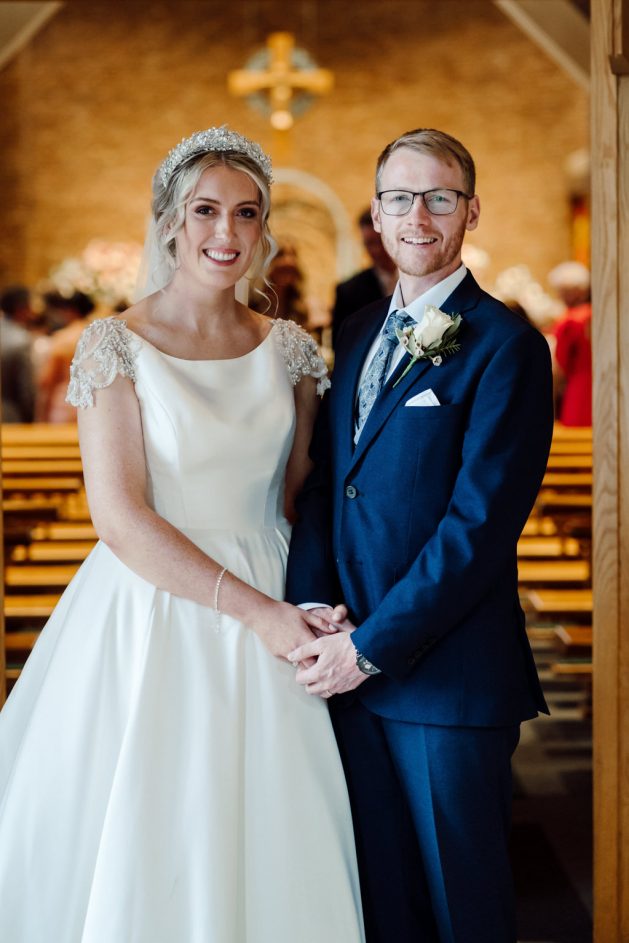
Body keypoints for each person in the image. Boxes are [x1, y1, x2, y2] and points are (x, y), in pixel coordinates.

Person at [0, 126, 364, 943]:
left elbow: (304, 498)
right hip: (155, 600)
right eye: (205, 210)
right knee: (157, 810)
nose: (225, 233)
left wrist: (327, 598)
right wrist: (257, 612)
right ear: (169, 221)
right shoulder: (114, 346)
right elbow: (122, 516)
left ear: (265, 228)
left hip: (275, 592)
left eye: (246, 213)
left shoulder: (294, 354)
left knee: (272, 814)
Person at [285, 128, 554, 943]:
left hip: (445, 681)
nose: (418, 214)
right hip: (347, 671)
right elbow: (331, 487)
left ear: (470, 210)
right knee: (380, 901)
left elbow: (476, 529)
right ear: (375, 212)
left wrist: (370, 644)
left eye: (439, 196)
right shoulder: (358, 327)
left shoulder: (506, 345)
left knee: (460, 904)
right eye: (400, 197)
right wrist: (309, 604)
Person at [331, 208, 397, 346]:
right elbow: (341, 344)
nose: (377, 250)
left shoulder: (421, 279)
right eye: (370, 243)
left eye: (380, 241)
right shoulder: (348, 291)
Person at [37, 291, 96, 421]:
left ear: (70, 310)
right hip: (93, 402)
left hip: (64, 402)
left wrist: (41, 414)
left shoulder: (63, 338)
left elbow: (48, 380)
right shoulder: (97, 336)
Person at [548, 261, 592, 426]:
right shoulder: (597, 314)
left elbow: (561, 361)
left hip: (578, 389)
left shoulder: (569, 321)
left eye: (564, 291)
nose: (560, 296)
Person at [0, 286, 36, 422]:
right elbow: (25, 388)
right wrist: (30, 417)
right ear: (21, 308)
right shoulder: (20, 339)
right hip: (9, 414)